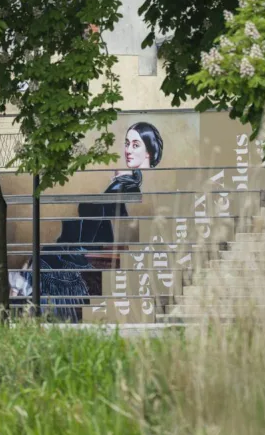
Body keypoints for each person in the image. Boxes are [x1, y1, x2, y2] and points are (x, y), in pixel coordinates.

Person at [9, 122, 163, 320]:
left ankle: (24, 293)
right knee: (46, 257)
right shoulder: (125, 181)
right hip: (89, 243)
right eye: (126, 143)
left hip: (93, 246)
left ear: (149, 150)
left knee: (48, 259)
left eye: (135, 145)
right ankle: (23, 294)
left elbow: (121, 220)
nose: (127, 150)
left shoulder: (130, 184)